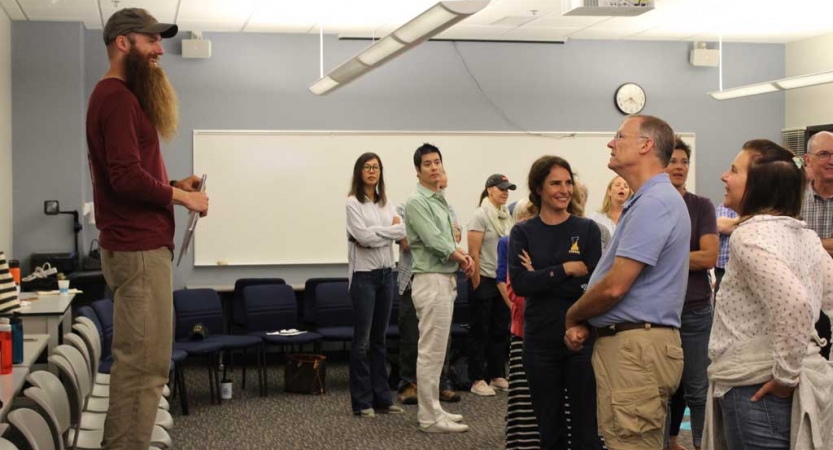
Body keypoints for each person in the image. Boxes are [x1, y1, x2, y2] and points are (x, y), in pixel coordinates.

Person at [86, 8, 208, 449]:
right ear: (123, 43)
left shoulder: (119, 97)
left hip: (139, 247)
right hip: (138, 251)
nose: (159, 50)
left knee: (146, 367)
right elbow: (124, 177)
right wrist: (183, 198)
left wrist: (174, 183)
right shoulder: (116, 97)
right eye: (150, 41)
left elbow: (130, 174)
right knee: (142, 369)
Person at [564, 115, 689, 450]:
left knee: (630, 443)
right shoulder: (647, 200)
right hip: (635, 346)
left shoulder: (654, 202)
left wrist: (574, 315)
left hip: (636, 350)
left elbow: (616, 286)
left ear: (646, 145)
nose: (611, 142)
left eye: (619, 136)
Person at [703, 139, 833, 450]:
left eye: (734, 170)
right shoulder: (804, 235)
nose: (724, 176)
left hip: (758, 386)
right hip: (792, 381)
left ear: (758, 186)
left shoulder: (749, 236)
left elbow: (796, 304)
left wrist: (786, 376)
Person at [509, 156, 604, 450]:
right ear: (538, 188)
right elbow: (523, 285)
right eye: (555, 183)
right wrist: (565, 269)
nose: (564, 190)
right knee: (550, 431)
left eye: (567, 183)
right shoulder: (523, 232)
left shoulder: (588, 230)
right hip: (540, 341)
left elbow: (591, 286)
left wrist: (542, 273)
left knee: (586, 430)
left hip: (580, 338)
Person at [404, 143, 474, 433]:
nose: (434, 167)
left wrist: (460, 256)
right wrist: (463, 257)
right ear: (418, 170)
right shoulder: (416, 202)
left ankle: (434, 409)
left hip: (444, 279)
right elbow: (435, 241)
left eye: (437, 162)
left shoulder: (439, 199)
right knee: (430, 352)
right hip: (431, 280)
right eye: (428, 164)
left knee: (437, 352)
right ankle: (429, 418)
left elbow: (451, 236)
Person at [665, 138, 718, 450]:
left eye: (684, 161)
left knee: (698, 391)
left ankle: (701, 445)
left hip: (695, 310)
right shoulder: (649, 204)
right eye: (673, 161)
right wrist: (688, 257)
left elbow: (709, 256)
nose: (680, 167)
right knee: (661, 391)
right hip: (658, 313)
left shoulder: (701, 206)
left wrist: (663, 259)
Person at [345, 152, 406, 417]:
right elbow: (361, 237)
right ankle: (362, 402)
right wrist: (386, 234)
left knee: (380, 340)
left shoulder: (386, 202)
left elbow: (402, 232)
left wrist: (376, 236)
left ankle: (383, 398)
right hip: (363, 276)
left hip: (386, 274)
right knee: (362, 342)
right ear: (359, 172)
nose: (372, 171)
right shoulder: (352, 203)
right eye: (368, 167)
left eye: (376, 167)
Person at [396, 170, 461, 405]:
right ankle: (409, 384)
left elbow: (455, 237)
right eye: (432, 168)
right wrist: (439, 239)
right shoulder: (407, 206)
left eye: (442, 171)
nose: (439, 177)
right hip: (413, 279)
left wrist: (440, 239)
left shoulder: (447, 206)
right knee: (413, 337)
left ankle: (441, 384)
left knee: (442, 338)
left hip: (443, 278)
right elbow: (406, 242)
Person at [497, 199, 541, 450]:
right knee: (524, 402)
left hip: (549, 328)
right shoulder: (514, 242)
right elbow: (516, 289)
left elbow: (580, 283)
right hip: (525, 328)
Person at [467, 174, 515, 396]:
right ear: (489, 190)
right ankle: (477, 379)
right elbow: (473, 252)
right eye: (501, 188)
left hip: (501, 280)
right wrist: (476, 284)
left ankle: (496, 375)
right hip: (483, 279)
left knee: (499, 331)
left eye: (508, 189)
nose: (505, 192)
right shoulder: (480, 215)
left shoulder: (507, 216)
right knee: (480, 331)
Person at [802, 131, 833, 359]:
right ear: (808, 159)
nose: (831, 161)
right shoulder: (794, 197)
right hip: (802, 297)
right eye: (824, 154)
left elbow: (796, 242)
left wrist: (806, 242)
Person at [588, 175, 631, 240]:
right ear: (609, 191)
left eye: (626, 186)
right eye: (617, 185)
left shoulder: (632, 218)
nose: (622, 187)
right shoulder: (595, 218)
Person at [714, 202, 738, 296]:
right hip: (724, 269)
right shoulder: (725, 206)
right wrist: (748, 219)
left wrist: (733, 223)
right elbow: (720, 226)